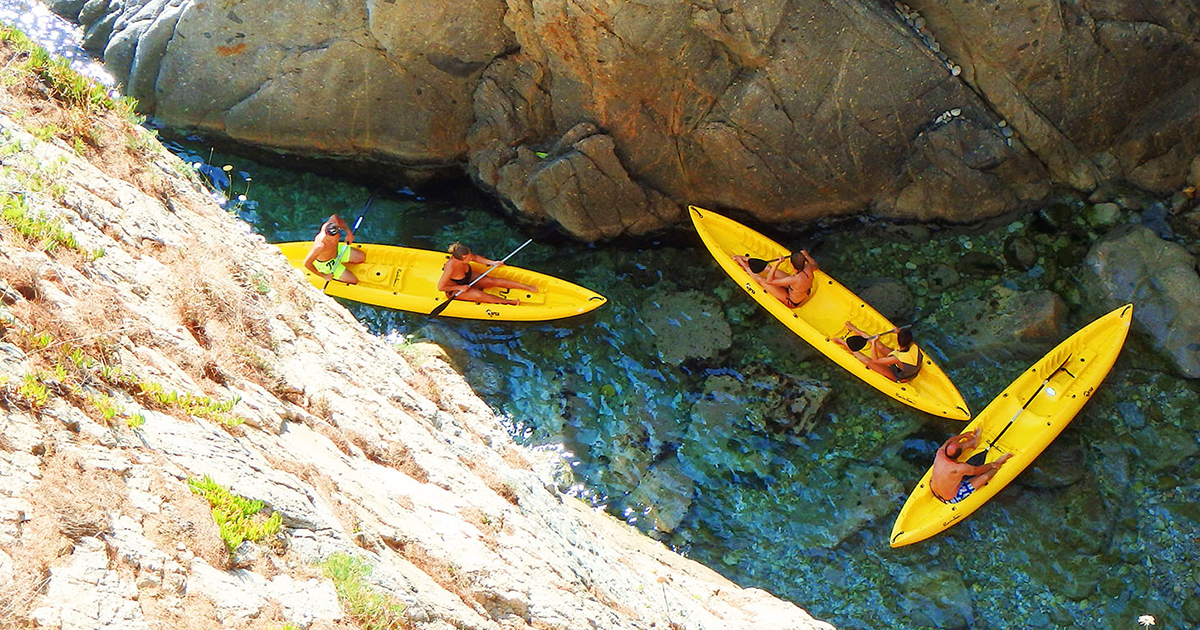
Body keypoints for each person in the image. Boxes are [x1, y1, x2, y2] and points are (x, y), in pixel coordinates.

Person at [930, 427, 1013, 504]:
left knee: (955, 447)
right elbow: (978, 471)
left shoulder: (940, 453)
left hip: (934, 487)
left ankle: (973, 442)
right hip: (951, 497)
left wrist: (963, 436)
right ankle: (999, 463)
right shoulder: (959, 467)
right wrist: (992, 465)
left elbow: (950, 441)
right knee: (985, 477)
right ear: (959, 456)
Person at [436, 242, 537, 305]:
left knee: (491, 281)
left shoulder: (465, 256)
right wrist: (459, 288)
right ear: (460, 259)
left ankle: (528, 287)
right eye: (468, 258)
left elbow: (476, 258)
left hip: (468, 278)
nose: (471, 259)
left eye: (470, 255)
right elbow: (440, 287)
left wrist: (493, 263)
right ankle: (510, 302)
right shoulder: (450, 267)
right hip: (455, 289)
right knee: (480, 296)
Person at [834, 322, 923, 382]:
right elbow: (905, 338)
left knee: (868, 361)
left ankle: (843, 343)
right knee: (880, 346)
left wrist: (874, 342)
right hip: (910, 366)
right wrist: (898, 331)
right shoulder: (913, 345)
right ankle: (856, 330)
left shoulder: (896, 358)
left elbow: (875, 360)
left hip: (901, 376)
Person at [731, 249, 819, 308]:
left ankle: (742, 263)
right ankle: (747, 259)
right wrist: (806, 255)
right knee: (769, 269)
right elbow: (815, 265)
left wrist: (777, 263)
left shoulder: (793, 279)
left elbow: (769, 281)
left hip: (790, 300)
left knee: (762, 280)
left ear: (792, 265)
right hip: (794, 288)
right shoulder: (808, 267)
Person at [303, 214, 365, 284]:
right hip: (327, 264)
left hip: (337, 251)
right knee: (353, 281)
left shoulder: (332, 224)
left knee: (362, 257)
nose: (334, 241)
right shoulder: (319, 246)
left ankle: (342, 264)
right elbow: (307, 263)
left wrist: (348, 233)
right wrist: (324, 276)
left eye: (336, 238)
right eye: (330, 240)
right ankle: (333, 276)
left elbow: (335, 217)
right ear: (326, 233)